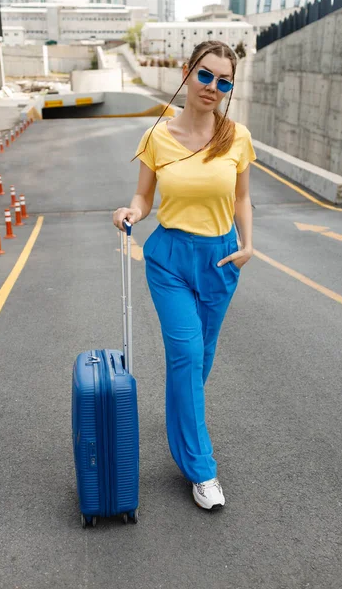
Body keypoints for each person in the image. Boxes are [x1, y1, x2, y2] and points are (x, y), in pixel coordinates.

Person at [113, 40, 257, 511]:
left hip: (219, 259)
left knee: (200, 359)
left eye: (224, 81)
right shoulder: (158, 137)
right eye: (205, 75)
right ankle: (201, 469)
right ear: (187, 72)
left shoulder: (236, 137)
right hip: (170, 257)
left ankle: (181, 416)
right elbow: (144, 199)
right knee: (186, 352)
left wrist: (246, 245)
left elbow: (240, 199)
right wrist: (129, 212)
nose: (213, 87)